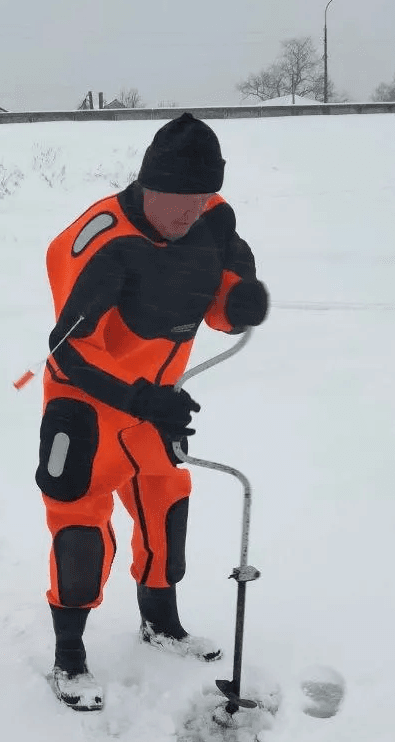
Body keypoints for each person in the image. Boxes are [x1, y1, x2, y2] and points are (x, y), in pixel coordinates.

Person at [37, 113, 269, 711]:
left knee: (166, 503)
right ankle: (68, 657)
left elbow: (225, 279)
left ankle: (161, 622)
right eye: (179, 200)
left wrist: (239, 303)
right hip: (88, 400)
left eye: (201, 198)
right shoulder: (104, 242)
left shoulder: (212, 218)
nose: (191, 212)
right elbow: (68, 350)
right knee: (80, 526)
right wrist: (141, 398)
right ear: (147, 185)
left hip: (157, 403)